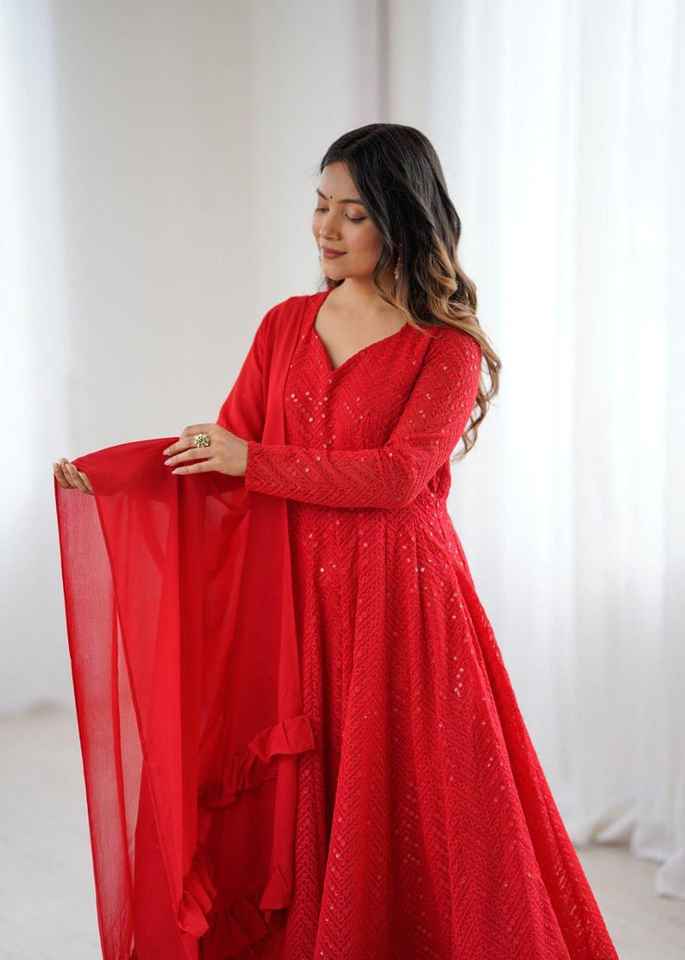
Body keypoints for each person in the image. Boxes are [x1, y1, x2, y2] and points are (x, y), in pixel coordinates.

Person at [53, 123, 619, 960]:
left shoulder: (445, 346)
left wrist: (254, 461)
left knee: (422, 798)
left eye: (352, 214)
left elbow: (398, 478)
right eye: (319, 205)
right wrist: (115, 476)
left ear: (401, 219)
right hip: (295, 599)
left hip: (402, 603)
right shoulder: (285, 325)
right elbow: (223, 454)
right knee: (309, 795)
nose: (324, 227)